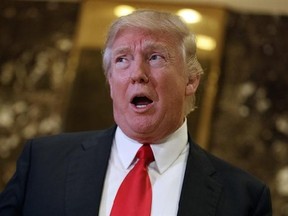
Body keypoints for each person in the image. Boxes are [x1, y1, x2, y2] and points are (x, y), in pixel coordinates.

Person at [0, 9, 272, 216]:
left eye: (155, 57)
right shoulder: (43, 164)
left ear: (191, 80)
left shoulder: (244, 197)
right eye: (122, 59)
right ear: (110, 82)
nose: (137, 74)